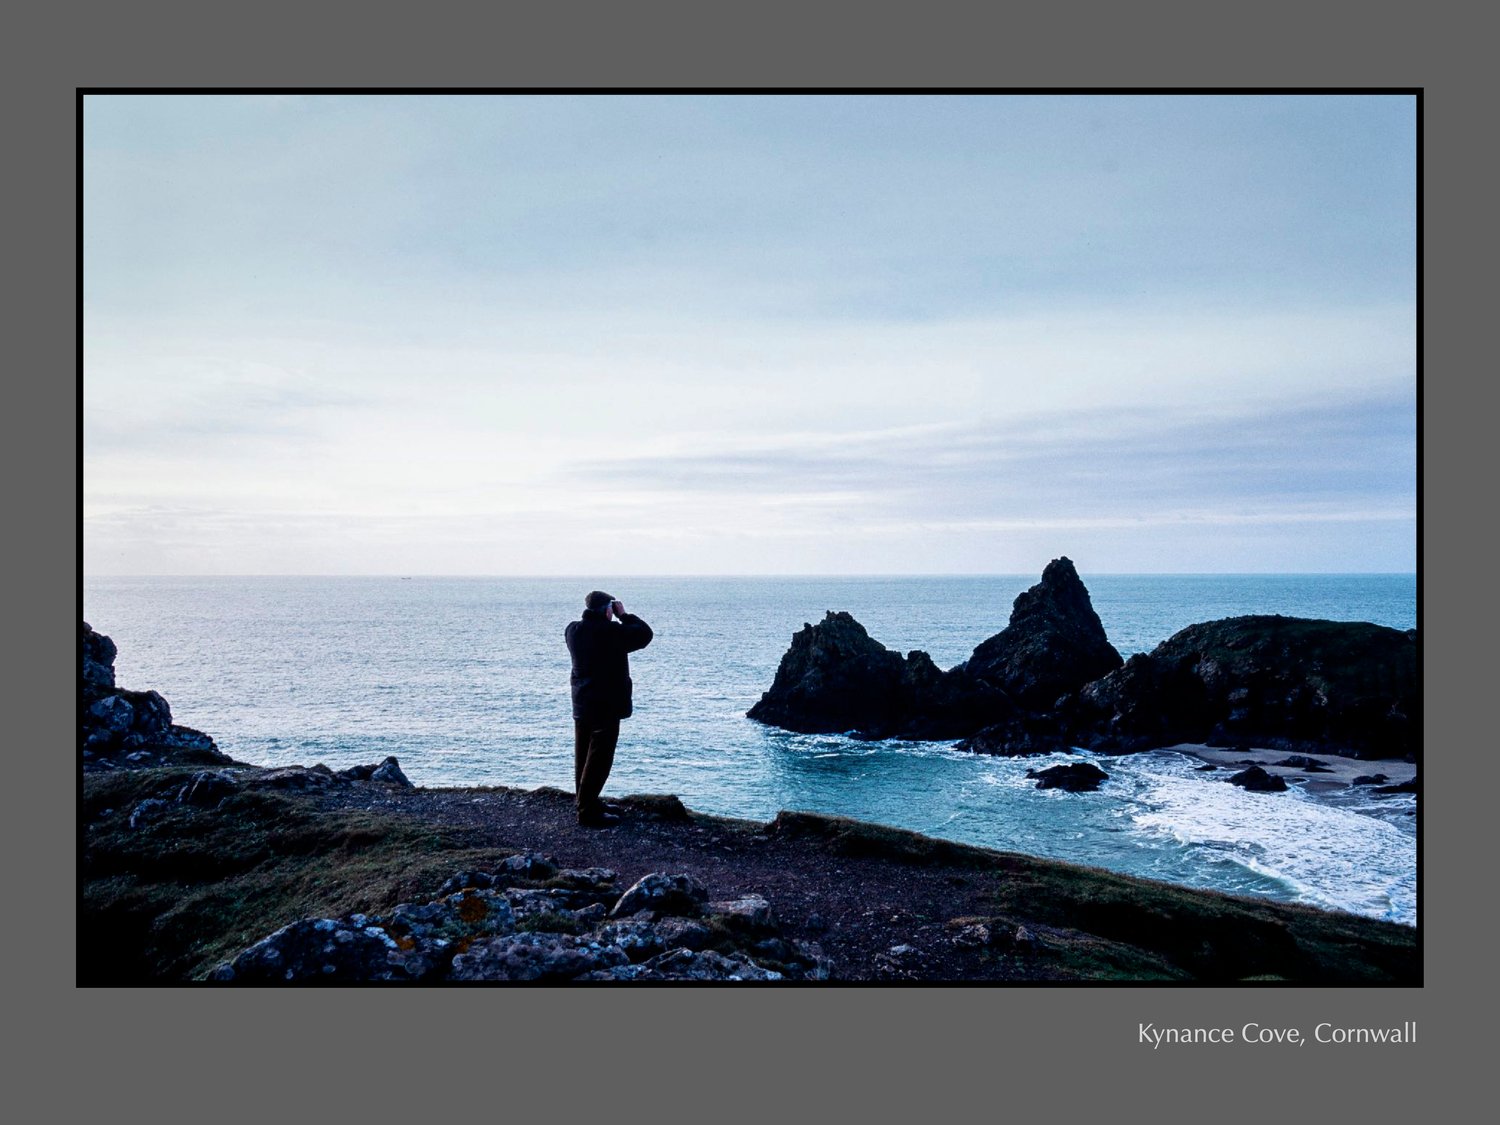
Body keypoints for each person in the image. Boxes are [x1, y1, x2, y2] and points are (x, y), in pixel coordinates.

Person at [564, 590, 653, 826]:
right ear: (607, 611)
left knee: (583, 756)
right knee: (599, 759)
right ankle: (587, 813)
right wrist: (624, 615)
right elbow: (645, 634)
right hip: (605, 705)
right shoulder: (611, 632)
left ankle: (586, 802)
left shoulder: (572, 630)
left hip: (582, 702)